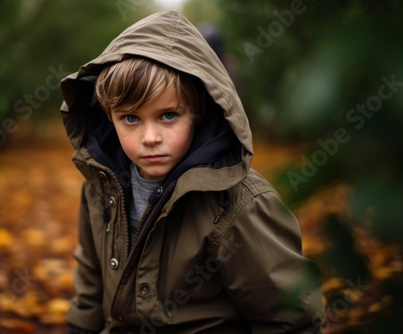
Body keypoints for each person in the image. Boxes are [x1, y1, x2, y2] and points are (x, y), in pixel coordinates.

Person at [59, 10, 324, 333]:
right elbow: (91, 272)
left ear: (197, 112)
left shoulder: (240, 205)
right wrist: (80, 326)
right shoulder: (102, 184)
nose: (150, 138)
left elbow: (290, 317)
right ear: (108, 116)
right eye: (130, 118)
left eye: (168, 115)